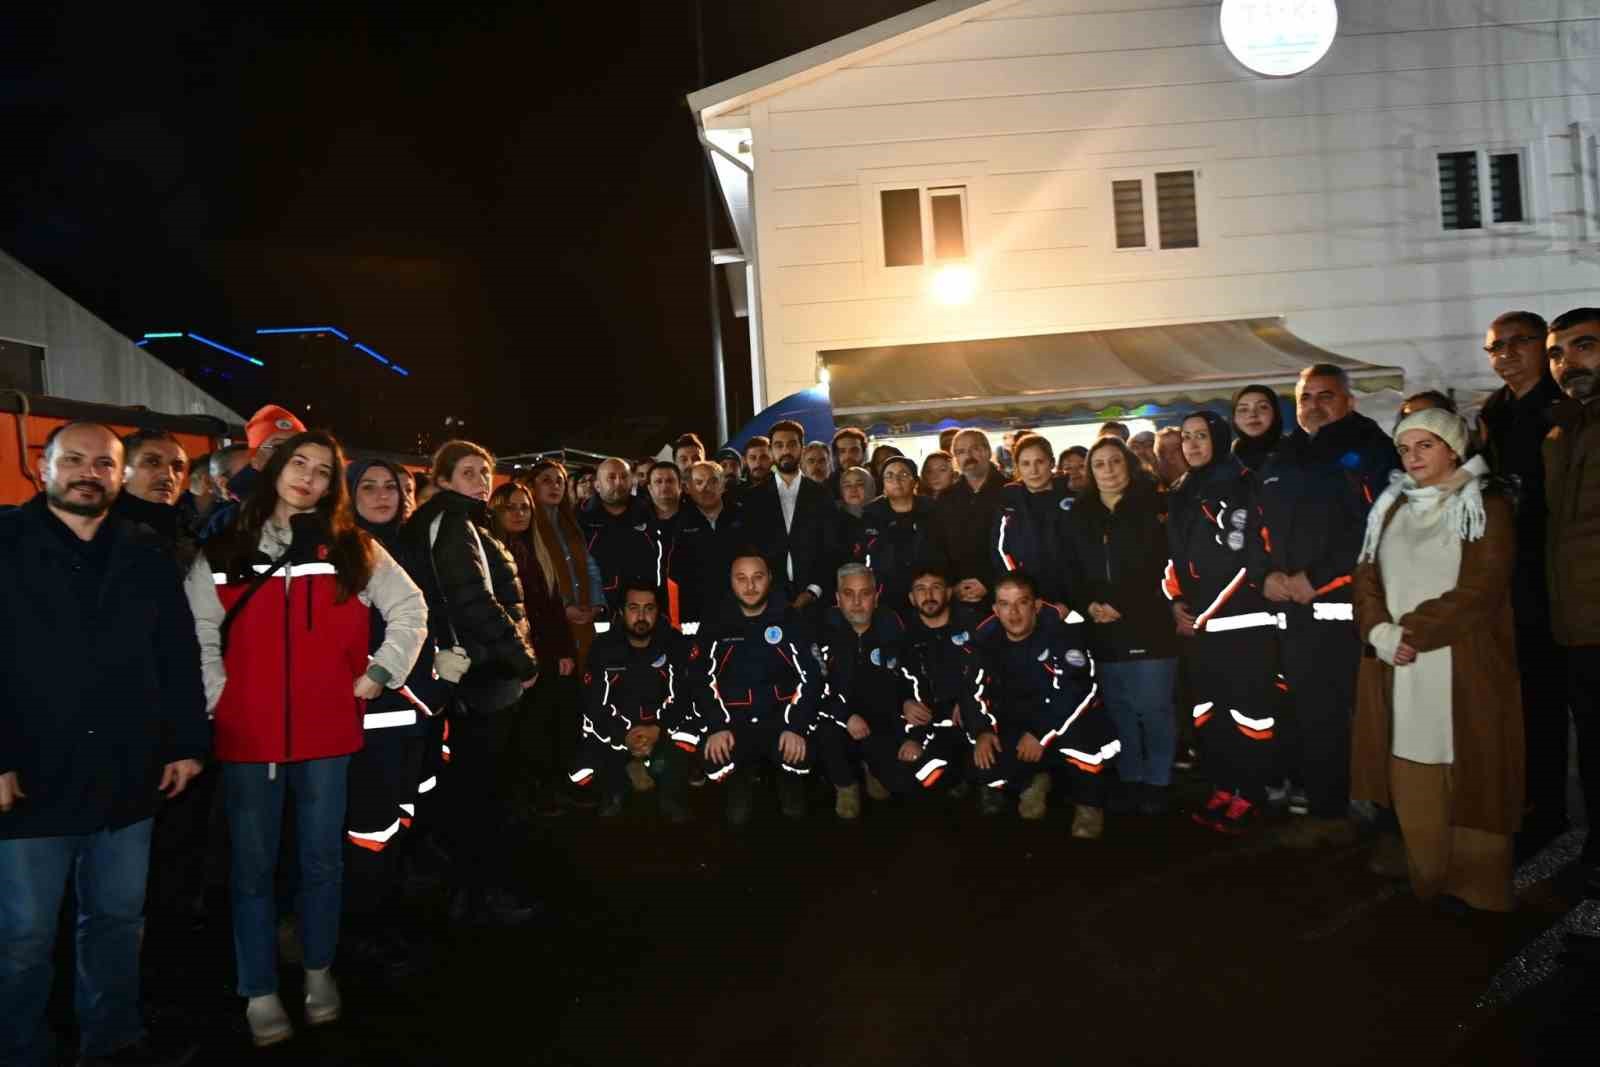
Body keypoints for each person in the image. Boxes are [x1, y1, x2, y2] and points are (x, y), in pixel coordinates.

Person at [186, 431, 425, 1046]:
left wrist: (379, 673)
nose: (310, 479)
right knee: (253, 868)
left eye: (323, 471)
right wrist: (221, 698)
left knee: (322, 862)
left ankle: (319, 971)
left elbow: (409, 607)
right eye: (300, 464)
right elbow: (198, 631)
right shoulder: (225, 547)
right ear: (274, 468)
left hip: (327, 734)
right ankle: (259, 989)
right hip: (250, 737)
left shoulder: (350, 546)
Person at [1, 422, 208, 1067]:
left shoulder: (144, 554)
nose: (89, 472)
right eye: (75, 460)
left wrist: (187, 742)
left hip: (128, 773)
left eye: (103, 463)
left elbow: (178, 656)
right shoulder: (5, 543)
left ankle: (112, 1037)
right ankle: (18, 1046)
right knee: (26, 936)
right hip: (31, 775)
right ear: (44, 469)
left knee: (118, 921)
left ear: (118, 477)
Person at [1351, 408, 1522, 912]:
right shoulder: (1388, 507)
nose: (1412, 457)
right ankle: (1428, 875)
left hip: (1462, 660)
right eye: (1405, 448)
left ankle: (1479, 888)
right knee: (1412, 766)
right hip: (1397, 660)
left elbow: (1481, 589)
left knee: (1473, 770)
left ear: (1453, 449)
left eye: (1426, 445)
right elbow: (1364, 576)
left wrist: (1412, 633)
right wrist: (1380, 631)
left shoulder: (1485, 505)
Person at [398, 441, 540, 928]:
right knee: (484, 794)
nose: (481, 480)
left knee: (474, 792)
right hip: (482, 679)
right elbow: (474, 603)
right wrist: (522, 659)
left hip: (475, 677)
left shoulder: (460, 521)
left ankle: (470, 889)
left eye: (485, 471)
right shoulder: (453, 525)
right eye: (467, 472)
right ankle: (482, 893)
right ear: (440, 479)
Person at [1259, 364, 1400, 848]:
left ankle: (1379, 818)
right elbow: (1263, 523)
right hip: (1292, 613)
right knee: (1310, 715)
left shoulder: (1371, 449)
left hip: (1348, 610)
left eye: (1326, 396)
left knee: (1362, 717)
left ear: (1349, 400)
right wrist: (1267, 576)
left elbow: (1375, 527)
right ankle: (1326, 811)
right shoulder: (1284, 453)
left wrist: (1317, 580)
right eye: (1305, 398)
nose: (1314, 406)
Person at [342, 458, 449, 976]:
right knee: (371, 829)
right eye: (369, 486)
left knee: (399, 821)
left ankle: (388, 916)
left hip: (415, 711)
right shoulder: (347, 551)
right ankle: (366, 935)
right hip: (371, 713)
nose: (383, 495)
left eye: (391, 486)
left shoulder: (408, 547)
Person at [1475, 310, 1570, 856]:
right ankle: (1530, 803)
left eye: (1519, 343)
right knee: (1519, 698)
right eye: (1495, 347)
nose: (1506, 354)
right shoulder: (1493, 411)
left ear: (1543, 346)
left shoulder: (1565, 408)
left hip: (1554, 570)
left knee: (1551, 698)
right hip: (1505, 573)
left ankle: (1553, 810)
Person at [1165, 412, 1279, 834]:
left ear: (1219, 438)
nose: (1193, 445)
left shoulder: (1242, 483)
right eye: (1186, 437)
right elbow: (1172, 560)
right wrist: (1176, 602)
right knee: (1208, 713)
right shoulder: (1180, 490)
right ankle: (1222, 785)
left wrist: (1207, 613)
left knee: (1249, 714)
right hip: (1200, 629)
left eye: (1201, 436)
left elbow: (1251, 559)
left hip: (1243, 622)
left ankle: (1250, 793)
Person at [1062, 436, 1179, 815]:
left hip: (1149, 625)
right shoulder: (1079, 516)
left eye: (1115, 462)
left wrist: (1123, 605)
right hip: (1102, 628)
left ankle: (1159, 781)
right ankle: (1131, 778)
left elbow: (1163, 567)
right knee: (1120, 710)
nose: (1108, 470)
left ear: (1128, 465)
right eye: (1099, 464)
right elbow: (1072, 573)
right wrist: (1089, 605)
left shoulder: (1154, 508)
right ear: (1089, 472)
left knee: (1154, 708)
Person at [969, 573, 1118, 838]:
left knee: (1083, 741)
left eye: (1022, 602)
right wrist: (982, 730)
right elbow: (973, 691)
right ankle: (1032, 780)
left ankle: (1089, 805)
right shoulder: (986, 641)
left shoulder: (1064, 636)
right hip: (1021, 723)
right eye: (1004, 604)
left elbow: (1078, 692)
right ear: (995, 609)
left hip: (1065, 722)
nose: (1013, 613)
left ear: (1036, 605)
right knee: (987, 757)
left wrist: (1040, 733)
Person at [693, 550, 822, 825]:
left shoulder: (791, 619)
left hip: (781, 719)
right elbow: (701, 678)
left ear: (769, 579)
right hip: (734, 722)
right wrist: (717, 725)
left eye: (757, 577)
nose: (750, 586)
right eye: (741, 578)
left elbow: (812, 677)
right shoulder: (716, 623)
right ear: (730, 581)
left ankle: (788, 778)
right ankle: (740, 777)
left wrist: (795, 726)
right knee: (714, 761)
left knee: (802, 760)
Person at [1544, 306, 1600, 892]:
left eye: (1583, 347)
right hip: (1576, 621)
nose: (1568, 363)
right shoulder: (1562, 428)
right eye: (1558, 354)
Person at [491, 478, 585, 819]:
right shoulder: (495, 550)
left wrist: (561, 651)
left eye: (524, 507)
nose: (519, 514)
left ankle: (552, 786)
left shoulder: (535, 548)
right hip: (517, 658)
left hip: (544, 654)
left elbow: (551, 606)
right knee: (529, 730)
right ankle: (536, 794)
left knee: (551, 722)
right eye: (510, 507)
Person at [571, 582, 698, 821]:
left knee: (687, 734)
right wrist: (624, 735)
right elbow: (594, 704)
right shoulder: (602, 647)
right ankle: (616, 790)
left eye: (649, 608)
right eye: (633, 608)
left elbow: (683, 696)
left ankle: (672, 797)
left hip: (660, 728)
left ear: (658, 612)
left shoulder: (674, 643)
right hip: (620, 731)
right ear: (621, 612)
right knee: (586, 761)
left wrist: (657, 729)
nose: (641, 616)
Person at [814, 564, 913, 818]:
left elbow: (910, 675)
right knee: (824, 730)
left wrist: (908, 701)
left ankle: (873, 767)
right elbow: (813, 685)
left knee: (901, 784)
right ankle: (845, 786)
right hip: (839, 716)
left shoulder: (893, 625)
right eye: (848, 594)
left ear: (876, 596)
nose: (857, 602)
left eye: (865, 593)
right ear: (837, 598)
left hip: (882, 718)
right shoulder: (823, 628)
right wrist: (845, 715)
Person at [896, 567, 985, 793]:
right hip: (932, 723)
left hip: (975, 718)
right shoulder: (904, 636)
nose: (928, 595)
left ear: (948, 593)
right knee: (914, 774)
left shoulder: (972, 624)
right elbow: (895, 682)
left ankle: (986, 784)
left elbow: (991, 670)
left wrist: (968, 703)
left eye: (936, 588)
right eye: (921, 589)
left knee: (988, 763)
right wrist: (905, 703)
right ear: (911, 598)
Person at [741, 419, 840, 614]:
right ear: (770, 451)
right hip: (768, 600)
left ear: (802, 448)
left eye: (792, 444)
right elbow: (750, 549)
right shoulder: (753, 498)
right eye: (779, 445)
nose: (786, 450)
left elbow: (831, 548)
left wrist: (813, 591)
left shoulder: (822, 495)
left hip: (816, 600)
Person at [197, 405, 307, 543]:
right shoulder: (228, 523)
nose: (291, 456)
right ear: (256, 460)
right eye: (278, 447)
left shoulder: (330, 510)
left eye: (300, 448)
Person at [991, 433, 1074, 613]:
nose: (1033, 470)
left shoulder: (1071, 498)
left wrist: (1071, 601)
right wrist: (1022, 597)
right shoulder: (1009, 500)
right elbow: (1001, 551)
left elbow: (1083, 553)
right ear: (1018, 467)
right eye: (1026, 464)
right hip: (1025, 602)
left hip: (1072, 599)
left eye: (1040, 462)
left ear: (1051, 463)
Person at [924, 429, 1008, 607]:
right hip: (958, 597)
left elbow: (1018, 547)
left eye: (974, 449)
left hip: (1005, 594)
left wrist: (989, 582)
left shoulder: (1010, 491)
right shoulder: (946, 499)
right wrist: (952, 585)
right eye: (960, 452)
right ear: (955, 459)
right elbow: (937, 549)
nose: (968, 456)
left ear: (987, 451)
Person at [674, 460, 749, 634]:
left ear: (723, 485)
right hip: (694, 615)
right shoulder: (678, 523)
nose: (705, 488)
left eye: (713, 481)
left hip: (740, 609)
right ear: (689, 488)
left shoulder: (743, 516)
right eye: (699, 482)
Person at [579, 457, 660, 617]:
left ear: (632, 481)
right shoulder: (580, 516)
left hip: (643, 607)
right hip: (596, 608)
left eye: (624, 477)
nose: (618, 482)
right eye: (611, 477)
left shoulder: (648, 512)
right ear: (597, 484)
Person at [859, 455, 933, 622]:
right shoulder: (871, 514)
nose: (896, 480)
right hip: (886, 592)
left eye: (904, 475)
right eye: (889, 476)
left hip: (927, 590)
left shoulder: (932, 509)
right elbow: (864, 557)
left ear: (915, 481)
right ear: (883, 483)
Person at [1230, 384, 1285, 479]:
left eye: (1262, 407)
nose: (1252, 414)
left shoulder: (1296, 453)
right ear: (1234, 418)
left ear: (1275, 413)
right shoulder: (1225, 458)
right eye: (1243, 409)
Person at [828, 427, 868, 500]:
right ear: (837, 455)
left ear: (863, 453)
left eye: (854, 450)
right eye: (842, 451)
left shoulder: (874, 481)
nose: (848, 456)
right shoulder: (828, 486)